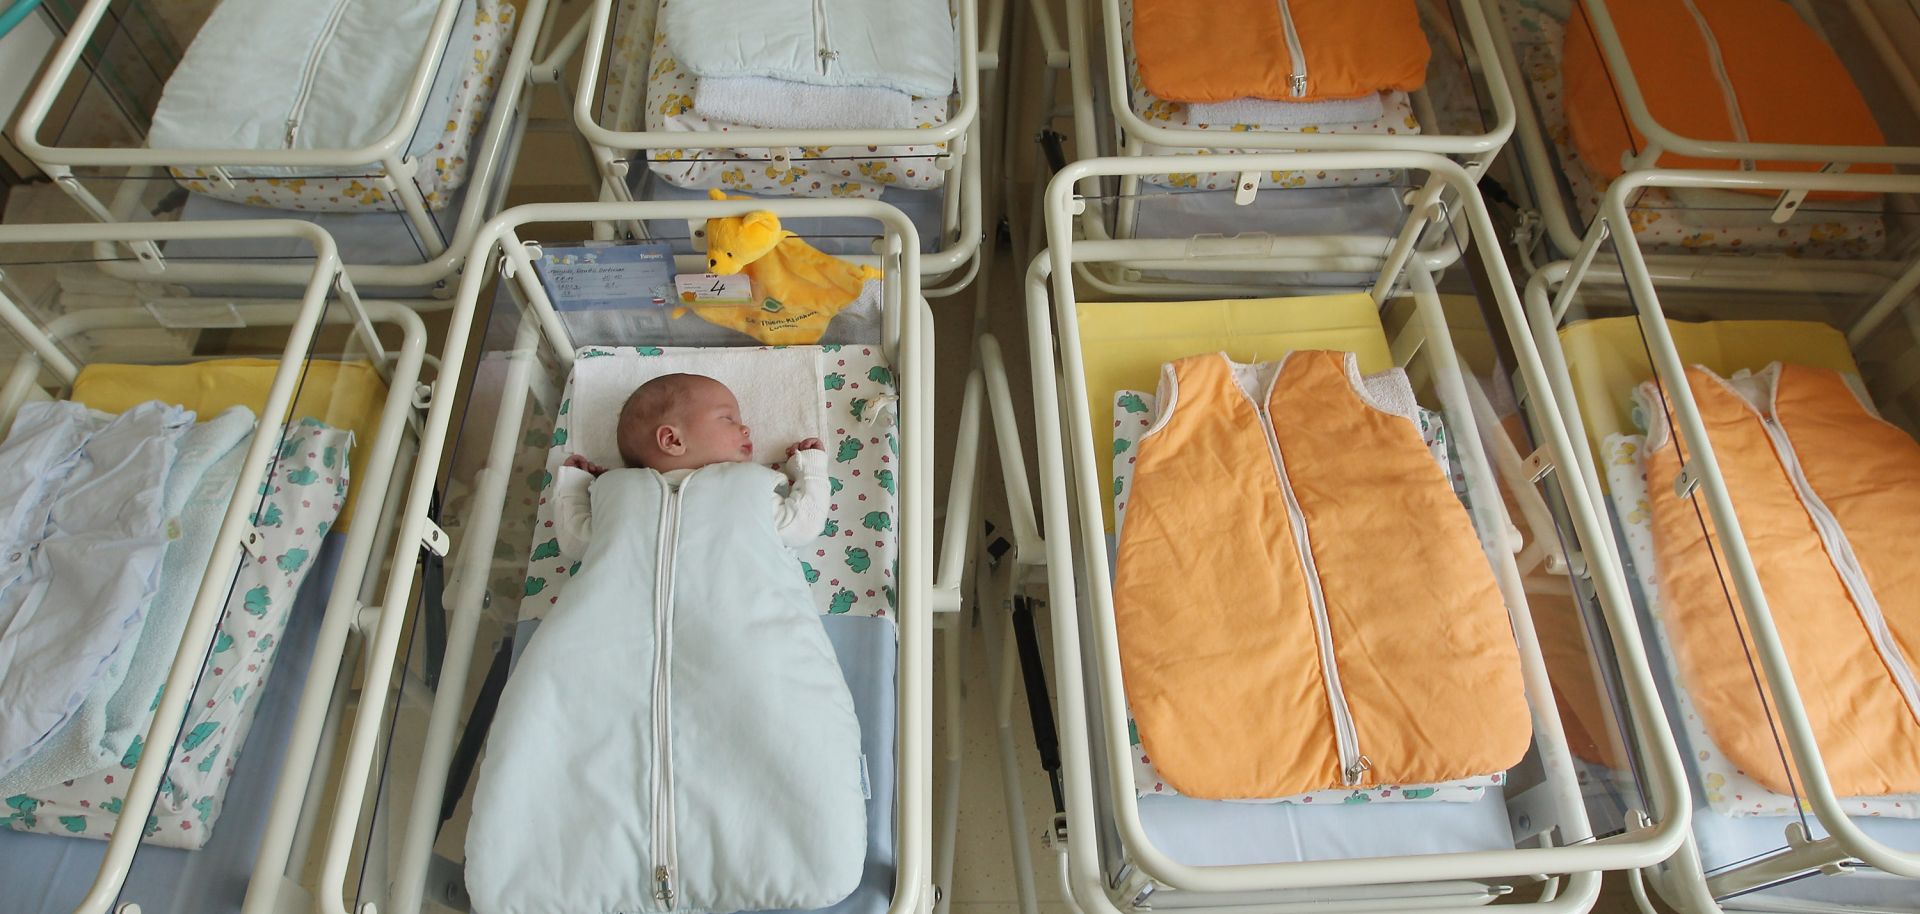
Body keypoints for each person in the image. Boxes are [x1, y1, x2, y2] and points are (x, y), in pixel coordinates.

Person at [551, 373, 827, 555]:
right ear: (672, 439)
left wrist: (807, 468)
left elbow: (802, 527)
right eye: (728, 419)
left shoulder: (746, 486)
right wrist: (577, 486)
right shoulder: (619, 493)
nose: (746, 428)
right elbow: (577, 543)